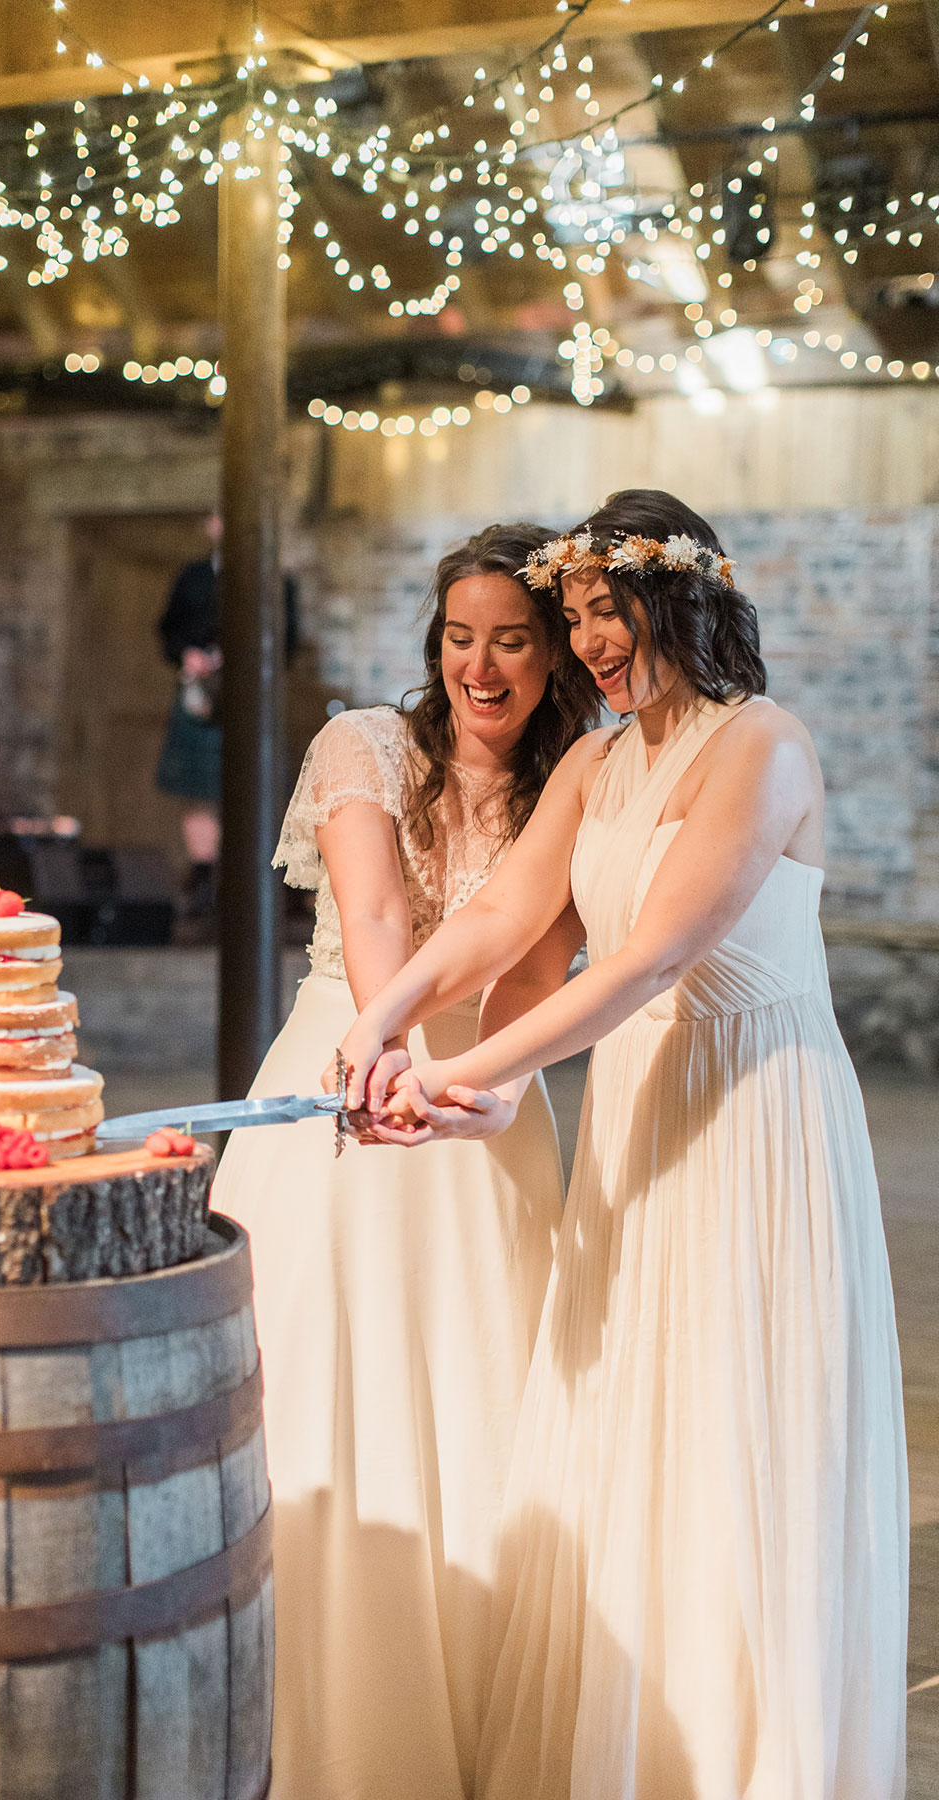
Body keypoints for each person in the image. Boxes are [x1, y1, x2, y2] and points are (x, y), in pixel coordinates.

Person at [339, 490, 908, 1800]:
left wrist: (465, 1075)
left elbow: (651, 958)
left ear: (684, 600)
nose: (592, 638)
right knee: (630, 1405)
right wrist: (386, 1017)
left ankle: (743, 1754)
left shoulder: (761, 744)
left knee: (736, 1417)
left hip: (752, 1112)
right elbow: (501, 915)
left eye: (612, 606)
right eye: (580, 612)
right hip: (640, 1106)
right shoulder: (594, 763)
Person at [211, 523, 601, 1800]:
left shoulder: (579, 787)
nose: (481, 666)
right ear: (433, 643)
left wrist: (475, 1085)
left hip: (482, 1104)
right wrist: (388, 1062)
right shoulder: (361, 745)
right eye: (459, 637)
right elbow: (375, 911)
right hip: (345, 1075)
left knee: (481, 1384)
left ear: (556, 655)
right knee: (323, 1382)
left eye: (513, 640)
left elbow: (537, 973)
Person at [156, 510, 299, 917]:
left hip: (252, 699)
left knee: (255, 788)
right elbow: (168, 631)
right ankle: (203, 880)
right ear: (209, 525)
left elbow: (287, 642)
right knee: (199, 790)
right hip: (200, 698)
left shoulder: (277, 581)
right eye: (220, 515)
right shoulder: (194, 576)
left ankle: (247, 880)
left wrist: (239, 661)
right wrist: (189, 654)